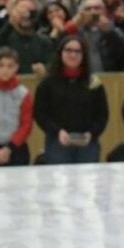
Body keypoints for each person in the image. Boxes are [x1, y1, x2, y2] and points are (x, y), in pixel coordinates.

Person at [33, 36, 108, 165]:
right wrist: (57, 132)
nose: (73, 55)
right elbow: (40, 114)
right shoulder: (47, 84)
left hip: (87, 143)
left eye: (78, 51)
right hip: (57, 142)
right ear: (60, 53)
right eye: (68, 50)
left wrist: (92, 133)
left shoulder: (94, 83)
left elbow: (102, 114)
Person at [0, 0, 54, 75]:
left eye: (31, 11)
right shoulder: (4, 38)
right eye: (21, 11)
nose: (26, 15)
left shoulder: (44, 41)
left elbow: (52, 64)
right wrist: (11, 22)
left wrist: (45, 69)